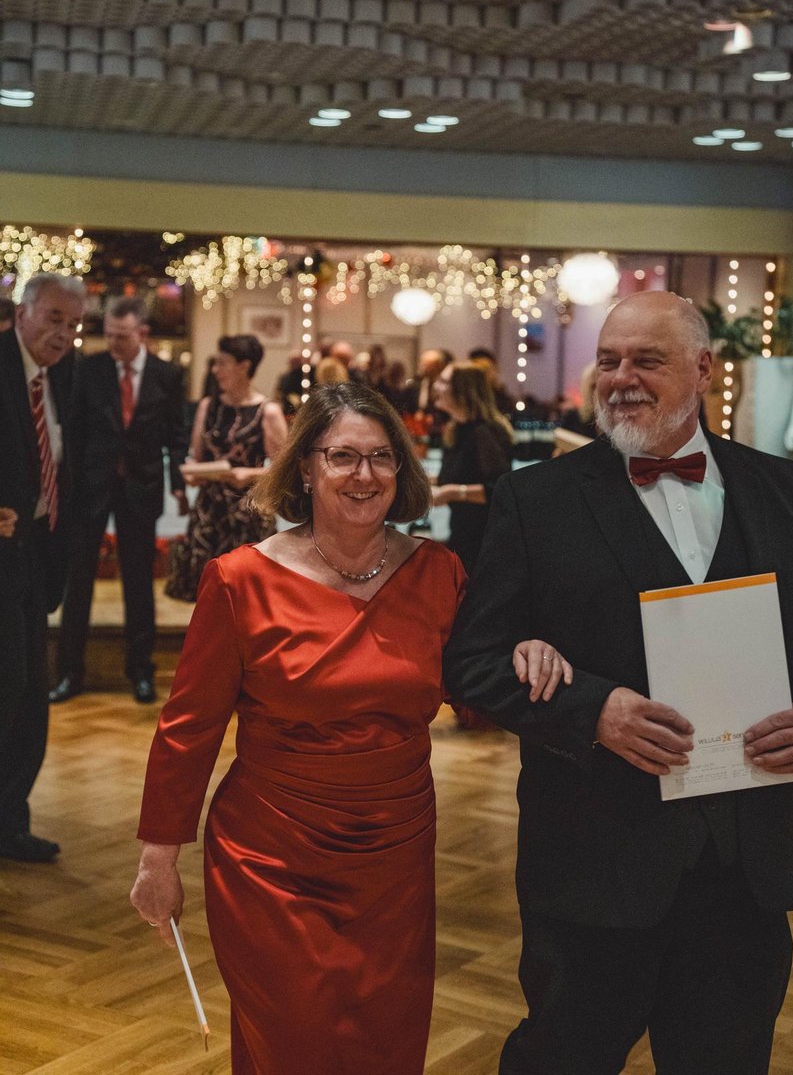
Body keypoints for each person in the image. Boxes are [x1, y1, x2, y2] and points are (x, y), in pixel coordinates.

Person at [129, 381, 573, 1074]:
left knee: (385, 1042)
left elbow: (479, 689)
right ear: (306, 468)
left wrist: (527, 649)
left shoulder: (439, 573)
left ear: (401, 469)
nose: (364, 475)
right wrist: (157, 861)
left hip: (395, 857)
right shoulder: (240, 580)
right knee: (295, 1041)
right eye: (342, 456)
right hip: (271, 856)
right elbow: (188, 729)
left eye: (382, 457)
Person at [444, 290, 793, 1075]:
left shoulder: (786, 492)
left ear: (704, 369)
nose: (620, 378)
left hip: (746, 873)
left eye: (647, 360)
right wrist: (592, 709)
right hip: (593, 864)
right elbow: (473, 660)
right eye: (608, 361)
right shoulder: (536, 500)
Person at [50, 297, 188, 705]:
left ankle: (140, 671)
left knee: (139, 583)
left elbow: (176, 434)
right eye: (108, 335)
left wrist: (178, 484)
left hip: (141, 488)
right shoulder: (88, 368)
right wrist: (67, 485)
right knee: (78, 582)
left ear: (142, 333)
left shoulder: (167, 374)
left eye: (121, 336)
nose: (113, 343)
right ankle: (69, 673)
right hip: (90, 489)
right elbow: (73, 431)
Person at [0, 273, 86, 861]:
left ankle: (10, 824)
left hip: (35, 551)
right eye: (54, 319)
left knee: (32, 694)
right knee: (9, 685)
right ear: (22, 312)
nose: (64, 334)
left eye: (73, 325)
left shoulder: (63, 376)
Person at [165, 334, 287, 602]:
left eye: (223, 363)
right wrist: (193, 473)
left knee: (248, 595)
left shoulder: (267, 412)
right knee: (208, 595)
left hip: (248, 512)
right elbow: (197, 457)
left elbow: (284, 470)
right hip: (210, 512)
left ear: (244, 366)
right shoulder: (209, 406)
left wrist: (249, 474)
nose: (215, 370)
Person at [432, 361, 513, 575]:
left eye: (444, 382)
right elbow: (457, 474)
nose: (436, 386)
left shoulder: (485, 432)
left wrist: (452, 493)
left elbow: (501, 489)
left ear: (464, 391)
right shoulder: (456, 428)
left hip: (484, 543)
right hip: (462, 535)